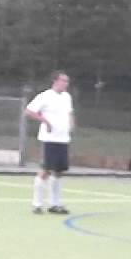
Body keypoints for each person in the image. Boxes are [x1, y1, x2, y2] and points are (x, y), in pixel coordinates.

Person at [24, 71, 74, 215]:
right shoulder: (45, 96)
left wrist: (71, 126)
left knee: (58, 172)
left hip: (63, 139)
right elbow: (28, 111)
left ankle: (55, 204)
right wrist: (45, 121)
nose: (66, 84)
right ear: (55, 81)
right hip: (49, 139)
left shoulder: (67, 97)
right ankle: (37, 204)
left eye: (67, 81)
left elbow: (69, 113)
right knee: (45, 170)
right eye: (63, 81)